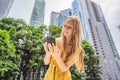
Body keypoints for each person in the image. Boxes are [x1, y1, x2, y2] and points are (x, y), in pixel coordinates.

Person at [43, 16, 85, 80]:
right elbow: (46, 62)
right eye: (65, 26)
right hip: (49, 76)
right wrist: (48, 54)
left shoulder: (77, 49)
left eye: (69, 27)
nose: (65, 29)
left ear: (75, 30)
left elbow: (64, 68)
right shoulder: (56, 41)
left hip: (63, 77)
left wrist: (57, 56)